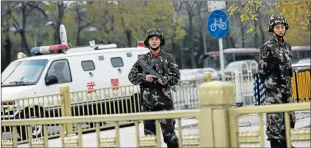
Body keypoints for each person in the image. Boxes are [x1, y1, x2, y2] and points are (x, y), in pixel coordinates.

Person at [128, 28, 180, 148]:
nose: (154, 41)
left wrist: (165, 79)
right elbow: (131, 76)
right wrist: (144, 78)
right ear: (148, 42)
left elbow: (176, 77)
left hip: (165, 105)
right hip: (148, 105)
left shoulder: (168, 58)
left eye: (157, 39)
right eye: (152, 39)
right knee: (150, 140)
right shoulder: (142, 60)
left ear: (160, 41)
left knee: (171, 138)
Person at [258, 16, 296, 148]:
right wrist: (271, 83)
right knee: (275, 121)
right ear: (272, 29)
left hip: (287, 88)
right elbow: (261, 71)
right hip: (274, 90)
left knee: (288, 118)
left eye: (282, 27)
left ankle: (287, 144)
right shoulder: (267, 47)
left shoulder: (287, 46)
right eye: (277, 27)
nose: (280, 29)